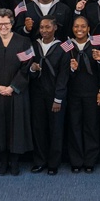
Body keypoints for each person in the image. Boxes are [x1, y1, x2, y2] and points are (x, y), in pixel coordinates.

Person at [0, 8, 34, 175]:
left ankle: (15, 162)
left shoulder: (24, 42)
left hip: (16, 92)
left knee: (16, 127)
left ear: (12, 23)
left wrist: (12, 87)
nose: (3, 26)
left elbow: (27, 67)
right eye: (0, 24)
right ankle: (3, 162)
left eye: (7, 23)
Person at [29, 16, 70, 175]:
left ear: (55, 28)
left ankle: (54, 163)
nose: (44, 30)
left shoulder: (64, 47)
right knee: (39, 129)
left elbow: (64, 75)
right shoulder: (33, 46)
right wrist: (32, 69)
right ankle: (40, 161)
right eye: (42, 27)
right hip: (37, 95)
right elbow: (27, 72)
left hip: (55, 96)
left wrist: (58, 98)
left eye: (48, 27)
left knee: (56, 130)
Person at [64, 16, 100, 173]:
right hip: (73, 93)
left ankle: (90, 161)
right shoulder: (67, 45)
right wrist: (71, 69)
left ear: (89, 29)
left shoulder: (97, 43)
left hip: (92, 93)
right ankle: (76, 161)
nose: (79, 29)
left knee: (91, 127)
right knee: (74, 126)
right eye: (76, 26)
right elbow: (61, 73)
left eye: (83, 26)